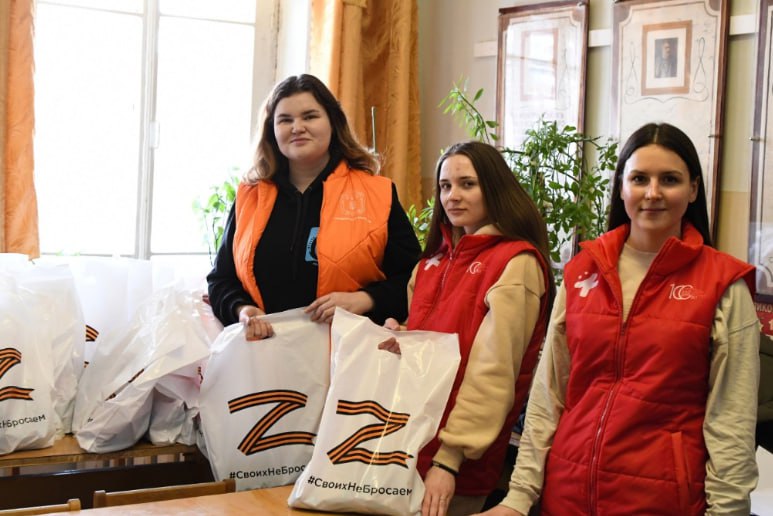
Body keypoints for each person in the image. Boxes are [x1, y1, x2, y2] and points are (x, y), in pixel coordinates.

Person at [477, 123, 760, 516]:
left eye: (670, 179)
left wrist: (727, 511)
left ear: (693, 189)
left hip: (662, 503)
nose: (653, 193)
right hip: (567, 497)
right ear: (622, 188)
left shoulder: (723, 284)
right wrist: (519, 496)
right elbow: (549, 394)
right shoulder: (582, 272)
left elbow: (732, 420)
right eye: (639, 178)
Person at [379, 141, 555, 516]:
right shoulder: (432, 262)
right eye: (445, 186)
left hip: (455, 465)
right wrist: (402, 335)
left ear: (494, 188)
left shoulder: (516, 263)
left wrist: (449, 460)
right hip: (405, 449)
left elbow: (493, 373)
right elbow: (437, 342)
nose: (452, 196)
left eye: (467, 184)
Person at [207, 74, 421, 339]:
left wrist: (363, 300)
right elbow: (221, 280)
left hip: (349, 354)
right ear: (272, 130)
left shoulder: (378, 193)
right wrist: (242, 309)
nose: (297, 127)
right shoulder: (249, 196)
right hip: (264, 354)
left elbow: (415, 282)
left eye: (309, 116)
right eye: (285, 120)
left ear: (333, 121)